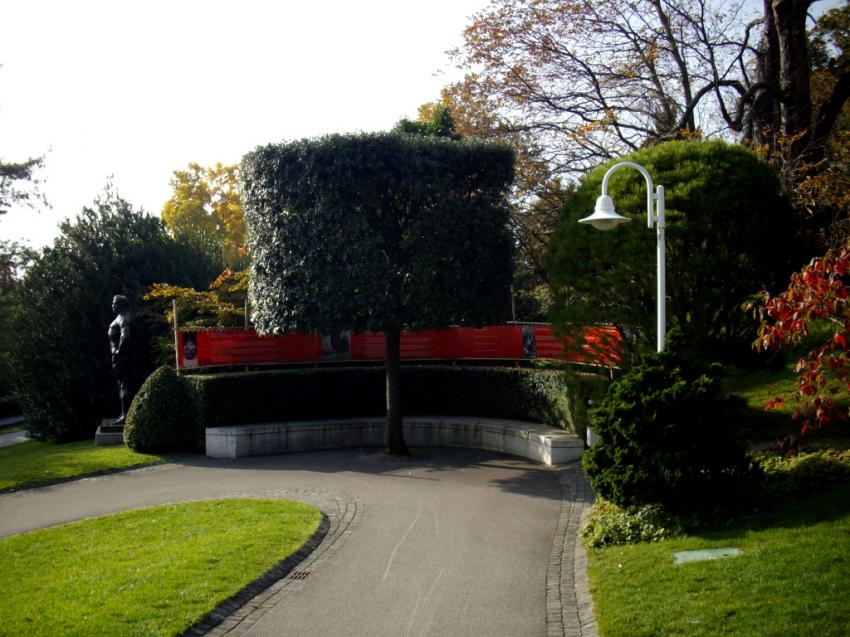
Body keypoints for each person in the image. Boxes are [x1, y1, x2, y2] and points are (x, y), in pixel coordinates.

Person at [108, 294, 133, 425]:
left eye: (115, 303)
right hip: (118, 357)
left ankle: (125, 414)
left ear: (122, 305)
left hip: (121, 358)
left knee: (124, 384)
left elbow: (126, 336)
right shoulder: (120, 318)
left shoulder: (124, 318)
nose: (113, 305)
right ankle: (124, 413)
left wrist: (119, 352)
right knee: (122, 384)